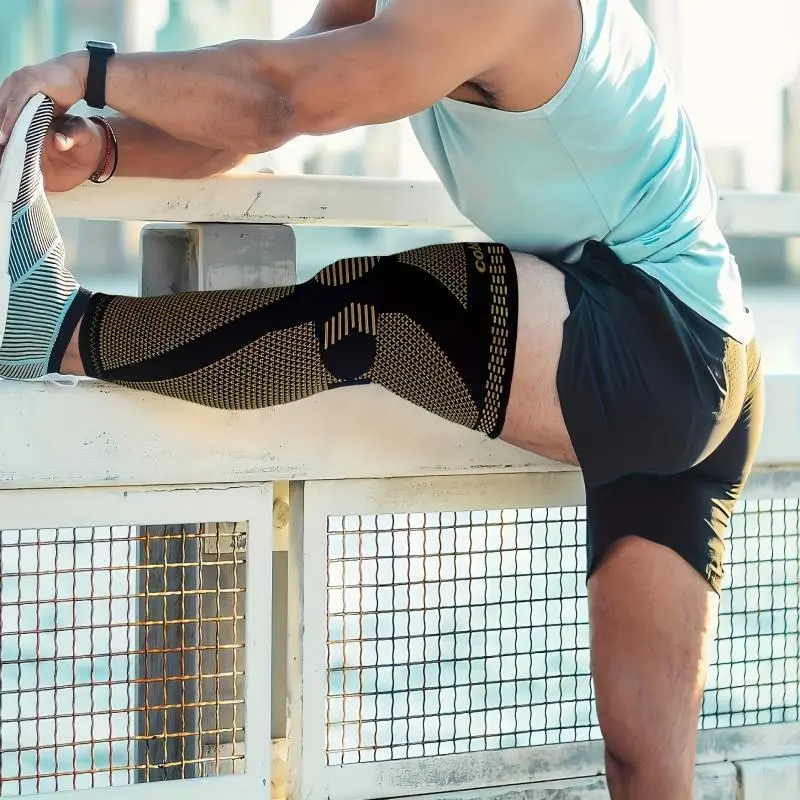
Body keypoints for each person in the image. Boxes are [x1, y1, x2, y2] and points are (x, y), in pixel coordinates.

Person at [0, 1, 763, 797]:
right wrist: (105, 149)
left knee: (382, 314)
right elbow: (246, 116)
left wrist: (89, 71)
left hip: (662, 342)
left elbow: (277, 98)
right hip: (703, 354)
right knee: (645, 766)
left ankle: (60, 327)